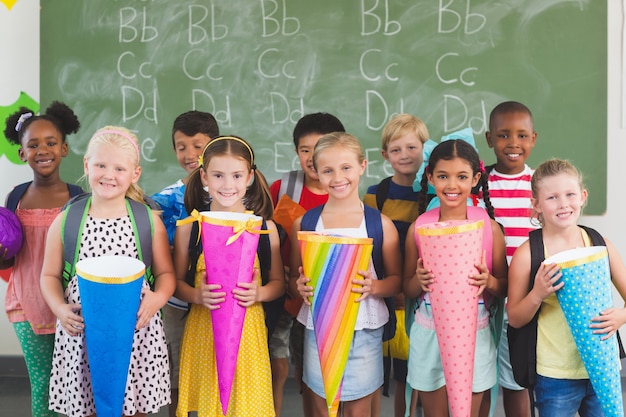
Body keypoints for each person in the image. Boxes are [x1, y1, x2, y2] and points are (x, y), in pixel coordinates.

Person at [40, 126, 175, 417]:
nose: (108, 175)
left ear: (134, 173)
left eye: (119, 168)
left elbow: (165, 274)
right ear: (87, 165)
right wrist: (59, 308)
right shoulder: (66, 221)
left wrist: (158, 298)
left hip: (136, 335)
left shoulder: (149, 222)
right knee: (88, 405)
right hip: (83, 334)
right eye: (100, 165)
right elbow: (49, 276)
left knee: (133, 407)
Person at [291, 132, 402, 416]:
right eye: (327, 170)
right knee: (321, 403)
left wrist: (373, 287)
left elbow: (396, 282)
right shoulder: (306, 224)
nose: (338, 177)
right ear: (315, 172)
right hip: (318, 331)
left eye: (346, 168)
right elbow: (295, 279)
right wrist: (300, 286)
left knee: (358, 407)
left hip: (363, 330)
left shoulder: (380, 225)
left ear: (363, 165)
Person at [173, 135, 285, 416]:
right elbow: (175, 284)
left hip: (249, 337)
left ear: (249, 177)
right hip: (203, 334)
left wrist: (259, 293)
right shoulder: (190, 228)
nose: (227, 184)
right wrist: (196, 295)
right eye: (218, 175)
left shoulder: (264, 229)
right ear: (204, 177)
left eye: (236, 175)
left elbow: (278, 285)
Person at [507, 159, 626, 417]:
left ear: (582, 196)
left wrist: (621, 316)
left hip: (603, 365)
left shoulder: (599, 244)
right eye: (552, 197)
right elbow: (515, 318)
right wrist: (537, 294)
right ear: (536, 205)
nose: (563, 203)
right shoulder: (528, 255)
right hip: (554, 375)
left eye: (570, 194)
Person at [403, 139, 508, 417]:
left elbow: (503, 286)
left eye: (461, 177)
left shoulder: (489, 229)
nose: (452, 185)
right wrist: (419, 279)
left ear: (475, 179)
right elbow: (407, 288)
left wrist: (489, 281)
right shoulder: (419, 228)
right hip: (429, 332)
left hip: (476, 333)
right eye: (442, 176)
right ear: (430, 177)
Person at [0, 102, 82, 417]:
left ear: (64, 149)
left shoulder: (78, 198)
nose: (42, 150)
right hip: (25, 303)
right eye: (33, 144)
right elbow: (9, 260)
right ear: (22, 153)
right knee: (43, 384)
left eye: (50, 142)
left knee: (73, 384)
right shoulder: (14, 197)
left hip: (70, 306)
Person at [268, 112, 345, 417]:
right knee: (276, 358)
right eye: (304, 150)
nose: (312, 157)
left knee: (319, 369)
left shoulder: (345, 193)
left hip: (325, 298)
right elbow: (266, 235)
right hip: (285, 293)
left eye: (320, 148)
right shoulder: (283, 188)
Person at [151, 110, 219, 417]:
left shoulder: (230, 192)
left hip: (220, 300)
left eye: (198, 145)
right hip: (177, 302)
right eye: (181, 146)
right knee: (176, 369)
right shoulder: (162, 201)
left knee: (216, 371)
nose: (190, 154)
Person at [363, 113, 429, 417]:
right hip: (389, 295)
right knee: (397, 374)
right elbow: (370, 246)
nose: (405, 155)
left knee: (425, 370)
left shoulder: (435, 192)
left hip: (424, 294)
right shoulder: (376, 195)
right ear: (385, 155)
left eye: (412, 147)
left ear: (425, 149)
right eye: (397, 149)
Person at [483, 101, 538, 417]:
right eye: (504, 136)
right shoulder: (476, 183)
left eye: (521, 135)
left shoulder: (539, 187)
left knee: (517, 382)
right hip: (483, 298)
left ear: (533, 138)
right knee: (480, 380)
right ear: (490, 139)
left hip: (522, 303)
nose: (513, 144)